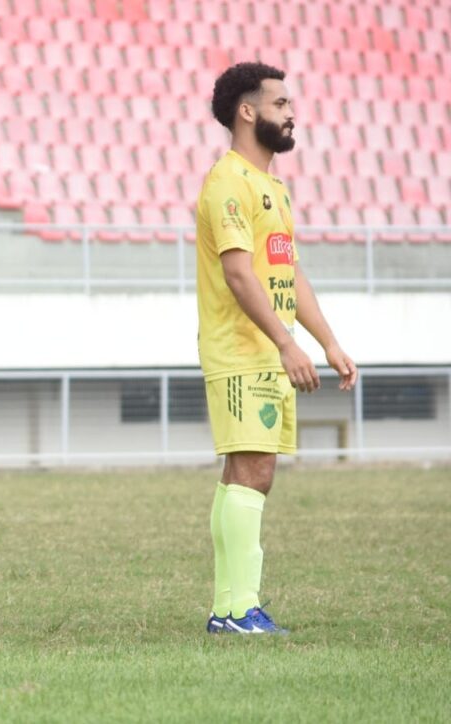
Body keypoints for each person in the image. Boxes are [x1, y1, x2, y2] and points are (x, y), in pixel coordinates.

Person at [196, 62, 357, 634]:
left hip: (264, 350)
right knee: (253, 471)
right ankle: (238, 611)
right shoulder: (228, 182)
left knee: (244, 473)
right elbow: (240, 277)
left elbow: (288, 273)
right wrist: (289, 346)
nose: (292, 114)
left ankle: (230, 609)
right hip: (241, 350)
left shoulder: (272, 187)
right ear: (248, 111)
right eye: (281, 104)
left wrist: (329, 341)